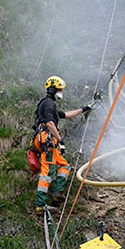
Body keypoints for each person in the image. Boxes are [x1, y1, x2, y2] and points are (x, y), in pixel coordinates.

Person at [33, 76, 93, 215]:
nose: (61, 92)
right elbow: (49, 123)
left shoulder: (50, 104)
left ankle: (57, 193)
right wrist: (60, 140)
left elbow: (66, 115)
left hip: (49, 140)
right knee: (47, 172)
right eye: (59, 89)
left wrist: (84, 109)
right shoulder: (48, 103)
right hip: (47, 140)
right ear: (53, 89)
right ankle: (40, 205)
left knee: (65, 164)